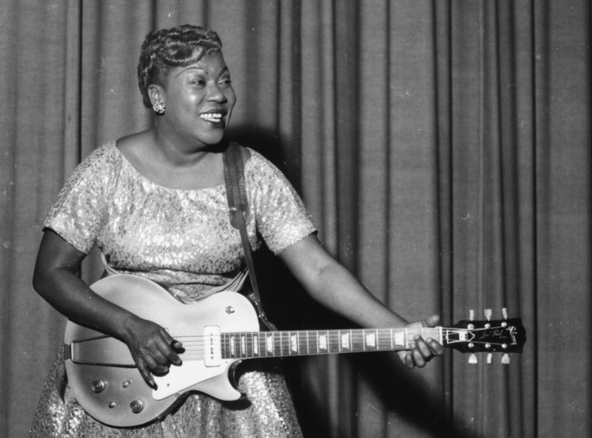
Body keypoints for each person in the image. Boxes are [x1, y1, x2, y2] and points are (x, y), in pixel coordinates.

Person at [29, 24, 443, 437]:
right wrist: (128, 326)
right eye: (199, 81)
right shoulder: (106, 171)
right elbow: (50, 273)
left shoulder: (252, 175)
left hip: (230, 377)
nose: (219, 95)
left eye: (224, 79)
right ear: (158, 98)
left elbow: (319, 271)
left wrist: (397, 330)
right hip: (123, 375)